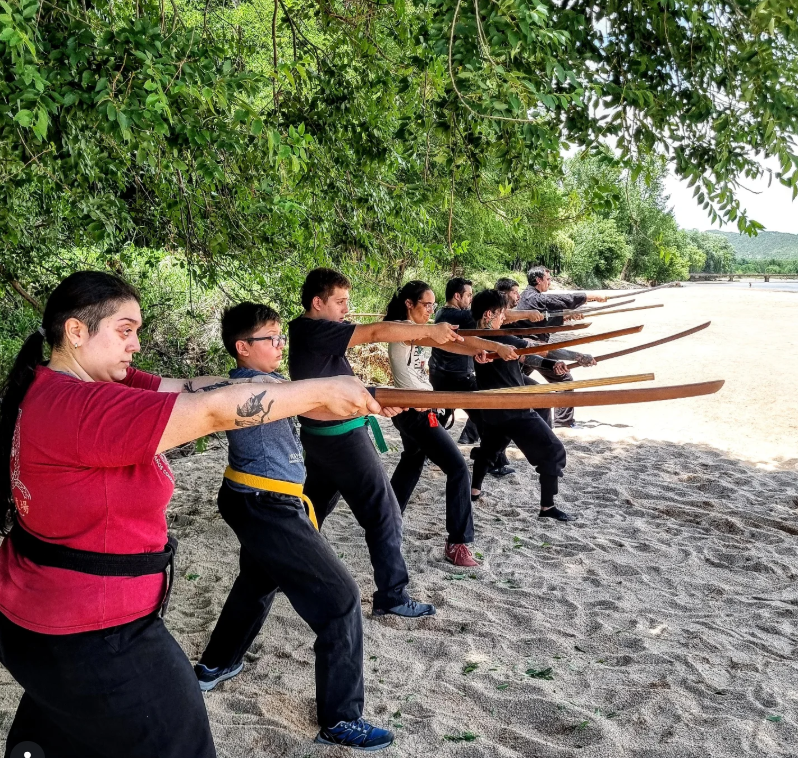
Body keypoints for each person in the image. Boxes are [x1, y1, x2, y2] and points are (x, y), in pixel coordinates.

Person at [0, 271, 382, 758]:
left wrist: (290, 385)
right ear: (76, 331)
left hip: (49, 619)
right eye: (125, 330)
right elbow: (213, 413)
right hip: (91, 633)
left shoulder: (73, 384)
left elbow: (193, 388)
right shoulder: (82, 404)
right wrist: (320, 392)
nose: (136, 344)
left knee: (59, 740)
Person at [194, 303, 393, 750]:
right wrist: (341, 391)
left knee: (257, 581)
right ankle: (340, 720)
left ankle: (216, 664)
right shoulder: (249, 388)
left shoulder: (269, 385)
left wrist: (374, 404)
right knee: (341, 600)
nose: (281, 345)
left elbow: (316, 404)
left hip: (254, 499)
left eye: (281, 336)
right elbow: (313, 396)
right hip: (266, 505)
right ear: (243, 348)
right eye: (271, 338)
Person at [288, 268, 469, 618]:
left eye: (347, 302)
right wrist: (429, 329)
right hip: (341, 439)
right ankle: (392, 595)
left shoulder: (309, 331)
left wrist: (372, 401)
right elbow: (375, 331)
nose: (346, 309)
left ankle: (284, 570)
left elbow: (336, 382)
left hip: (326, 436)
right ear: (317, 302)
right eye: (340, 302)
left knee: (312, 508)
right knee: (384, 512)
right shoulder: (314, 329)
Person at [384, 282, 518, 568]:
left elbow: (455, 343)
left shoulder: (417, 329)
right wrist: (493, 345)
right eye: (426, 305)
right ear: (409, 304)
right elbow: (447, 340)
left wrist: (476, 351)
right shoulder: (402, 329)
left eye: (433, 305)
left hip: (418, 409)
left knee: (412, 461)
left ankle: (384, 521)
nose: (431, 310)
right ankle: (458, 543)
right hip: (415, 413)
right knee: (457, 468)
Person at [467, 289, 574, 522]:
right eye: (501, 314)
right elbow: (528, 355)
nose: (504, 318)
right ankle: (547, 507)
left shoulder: (473, 339)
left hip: (492, 411)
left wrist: (550, 364)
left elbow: (527, 356)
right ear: (488, 314)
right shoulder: (502, 339)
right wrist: (555, 361)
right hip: (514, 410)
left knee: (490, 448)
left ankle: (473, 490)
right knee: (554, 450)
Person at [429, 277, 542, 474]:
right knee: (486, 418)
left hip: (442, 374)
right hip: (456, 376)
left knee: (442, 418)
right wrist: (528, 314)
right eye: (469, 295)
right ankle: (495, 462)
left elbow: (497, 318)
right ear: (457, 296)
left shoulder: (442, 312)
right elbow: (497, 317)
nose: (471, 300)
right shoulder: (460, 316)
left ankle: (440, 449)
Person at [516, 267, 602, 428]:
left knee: (509, 382)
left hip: (528, 347)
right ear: (538, 280)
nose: (550, 282)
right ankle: (563, 422)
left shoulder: (529, 298)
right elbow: (558, 300)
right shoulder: (532, 298)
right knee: (564, 380)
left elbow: (545, 318)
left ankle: (470, 433)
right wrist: (589, 297)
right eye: (547, 279)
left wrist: (565, 315)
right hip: (530, 348)